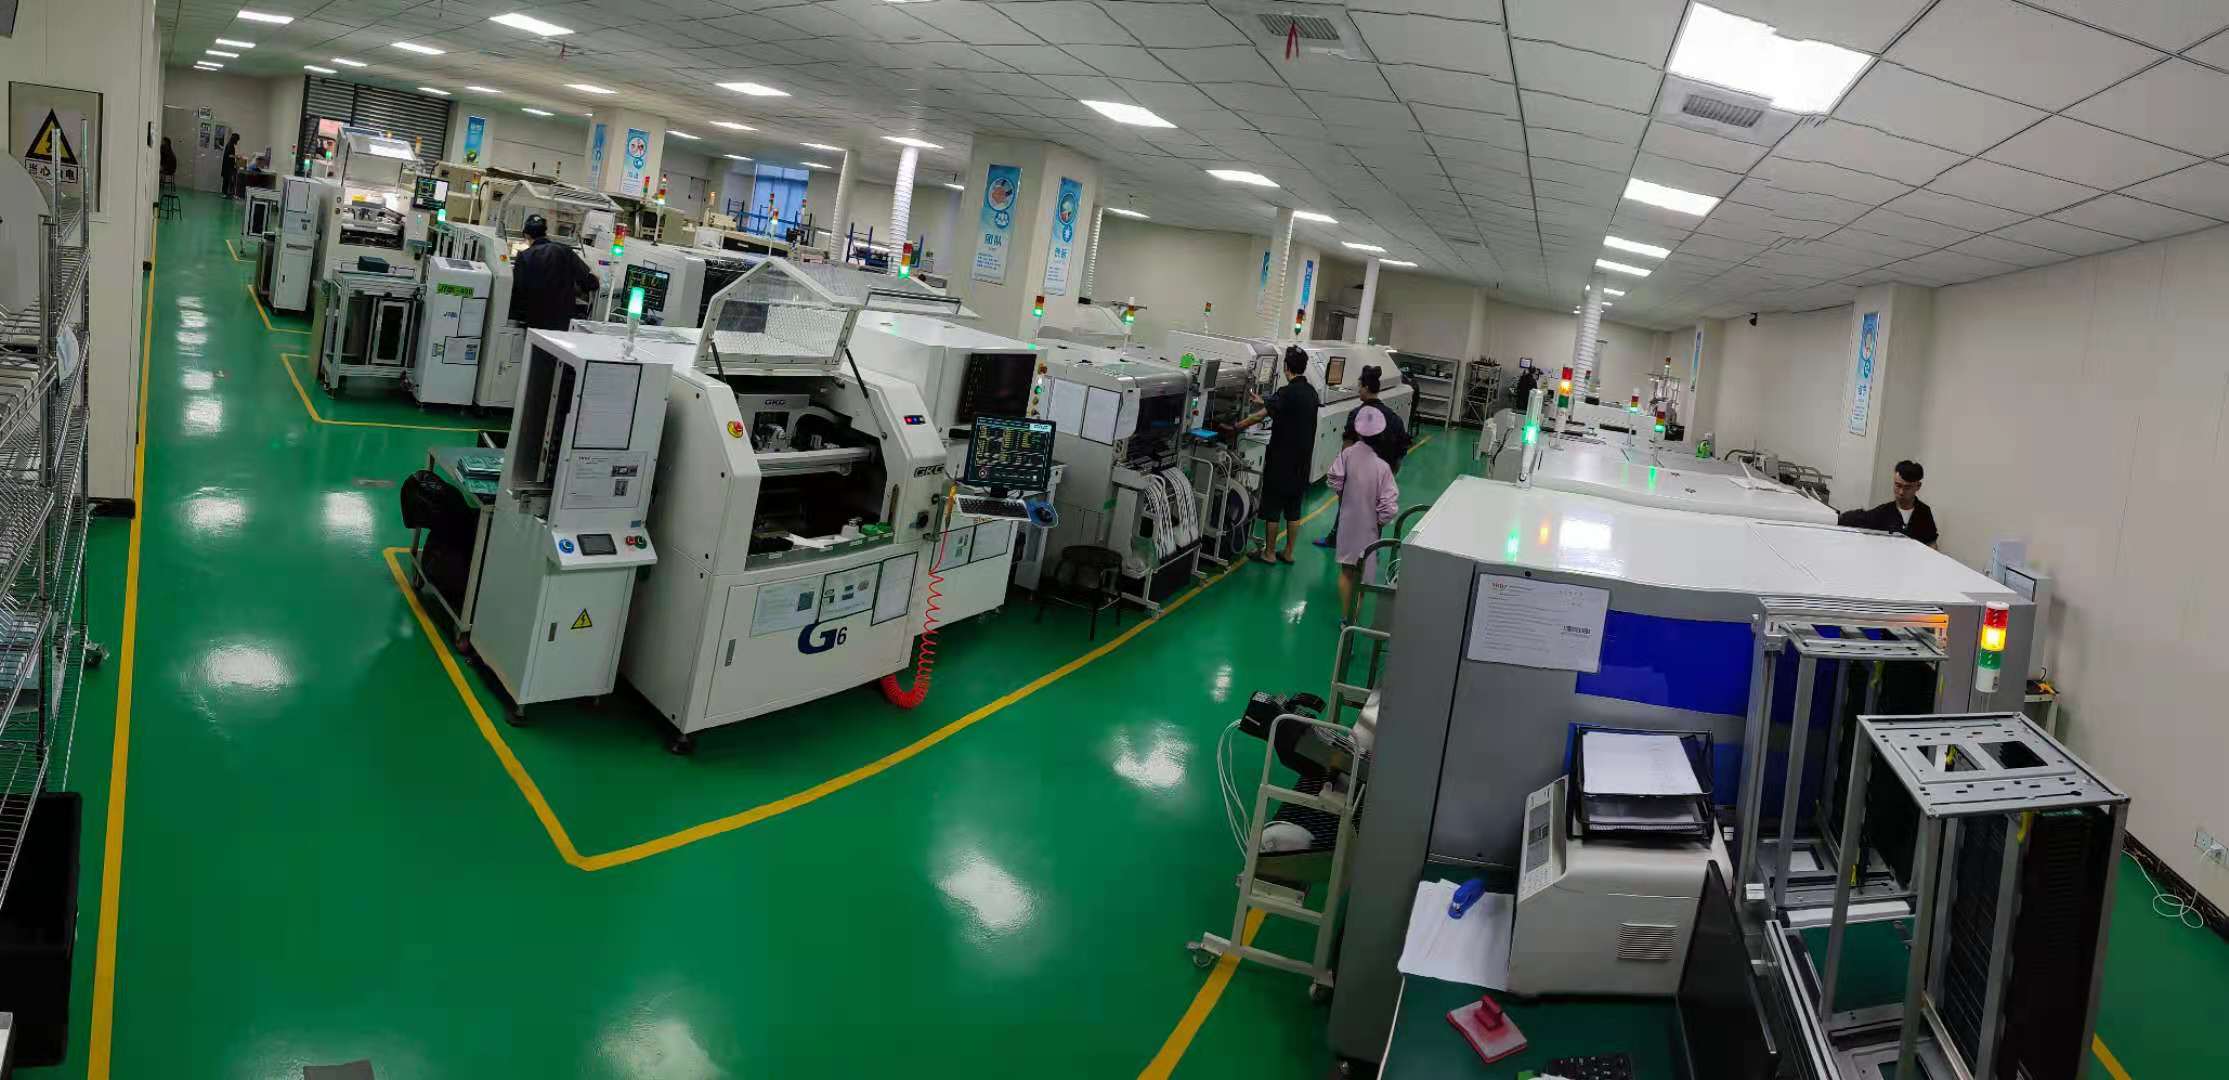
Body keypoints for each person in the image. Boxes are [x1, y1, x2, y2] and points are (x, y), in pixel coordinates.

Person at [1229, 346, 1319, 564]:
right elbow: (1287, 406)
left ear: (1286, 367)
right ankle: (1288, 553)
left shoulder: (1286, 393)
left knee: (1273, 509)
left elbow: (1258, 417)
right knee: (1293, 510)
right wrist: (1266, 400)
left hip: (1281, 462)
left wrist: (1236, 427)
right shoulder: (1311, 393)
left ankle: (1269, 553)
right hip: (1302, 463)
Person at [1315, 364, 1407, 546]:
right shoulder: (1393, 418)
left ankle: (1337, 539)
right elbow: (1400, 451)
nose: (1358, 390)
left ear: (1366, 387)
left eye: (1359, 386)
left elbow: (1347, 448)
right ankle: (1373, 547)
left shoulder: (1357, 414)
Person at [1328, 407, 1399, 622]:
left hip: (1347, 521)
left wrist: (1343, 497)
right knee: (1362, 575)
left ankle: (1346, 617)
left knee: (1346, 571)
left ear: (1358, 432)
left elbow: (1334, 479)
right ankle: (1355, 617)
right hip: (1369, 529)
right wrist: (1378, 522)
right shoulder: (1382, 468)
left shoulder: (1347, 455)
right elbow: (1389, 506)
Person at [508, 214, 601, 331]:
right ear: (545, 233)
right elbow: (590, 283)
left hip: (535, 323)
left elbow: (518, 291)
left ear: (526, 235)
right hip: (563, 322)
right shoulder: (566, 251)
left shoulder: (524, 256)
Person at [1841, 460, 1939, 546]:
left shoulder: (1924, 512)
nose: (1901, 492)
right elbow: (1857, 519)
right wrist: (1835, 518)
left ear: (1918, 486)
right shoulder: (1883, 512)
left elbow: (1931, 543)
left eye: (1907, 487)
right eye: (1898, 485)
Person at [220, 132, 240, 199]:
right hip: (227, 166)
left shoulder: (230, 145)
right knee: (226, 180)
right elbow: (229, 155)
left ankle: (226, 193)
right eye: (237, 140)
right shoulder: (230, 145)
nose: (237, 142)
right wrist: (236, 156)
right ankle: (224, 193)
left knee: (227, 180)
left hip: (228, 166)